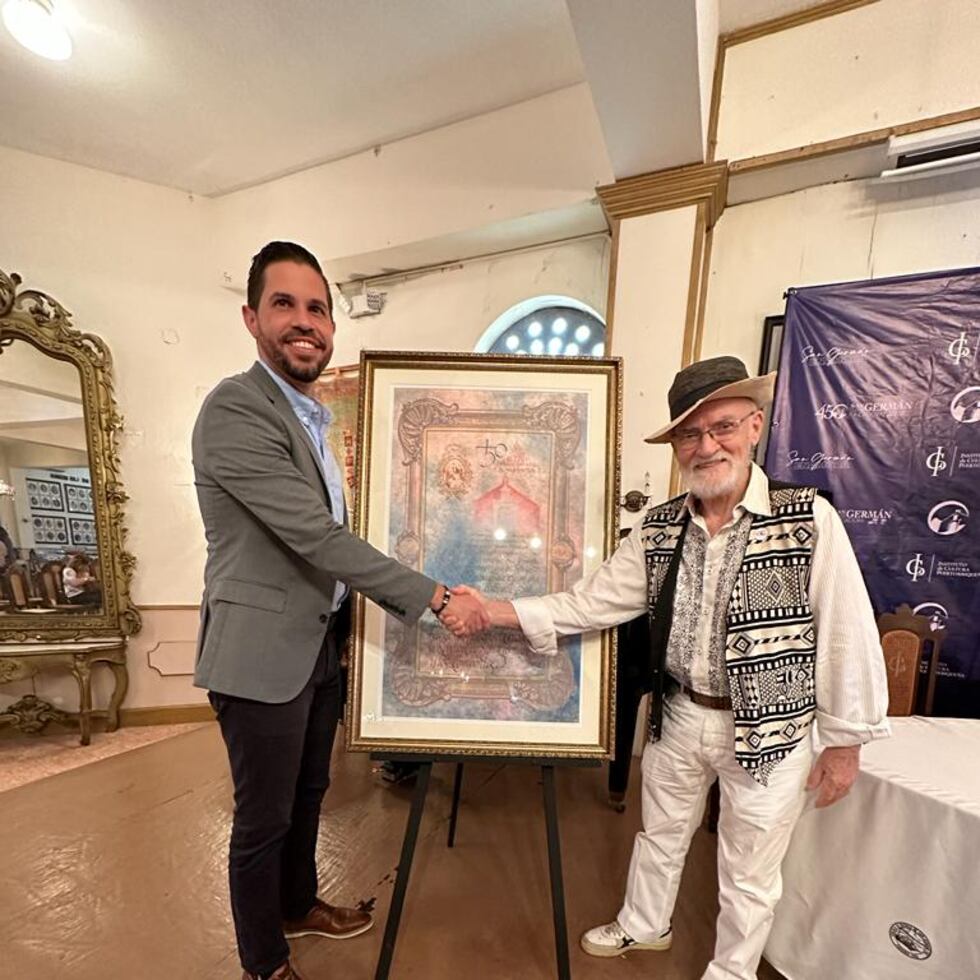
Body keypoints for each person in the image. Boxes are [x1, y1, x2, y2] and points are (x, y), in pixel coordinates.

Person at [451, 356, 890, 980]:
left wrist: (845, 741)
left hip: (774, 732)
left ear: (755, 426)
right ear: (678, 445)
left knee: (748, 869)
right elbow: (589, 603)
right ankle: (644, 924)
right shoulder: (658, 529)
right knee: (658, 834)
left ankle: (731, 971)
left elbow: (847, 630)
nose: (707, 446)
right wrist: (491, 609)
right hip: (680, 715)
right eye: (691, 433)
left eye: (723, 428)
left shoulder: (808, 519)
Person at [192, 240, 487, 980]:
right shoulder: (236, 408)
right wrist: (435, 598)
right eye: (284, 304)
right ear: (251, 316)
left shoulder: (313, 419)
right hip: (260, 652)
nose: (305, 322)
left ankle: (298, 907)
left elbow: (332, 539)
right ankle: (263, 963)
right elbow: (316, 537)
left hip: (321, 644)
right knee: (262, 819)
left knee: (309, 793)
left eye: (317, 308)